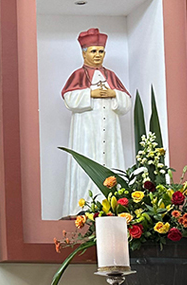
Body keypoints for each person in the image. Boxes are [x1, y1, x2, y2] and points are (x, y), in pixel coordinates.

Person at [61, 28, 132, 217]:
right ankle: (82, 207)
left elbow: (126, 103)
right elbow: (69, 99)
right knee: (86, 162)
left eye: (100, 51)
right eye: (93, 51)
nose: (98, 55)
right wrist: (90, 93)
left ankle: (113, 206)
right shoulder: (78, 75)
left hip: (110, 131)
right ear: (84, 53)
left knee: (111, 162)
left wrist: (113, 93)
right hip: (86, 131)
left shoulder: (111, 76)